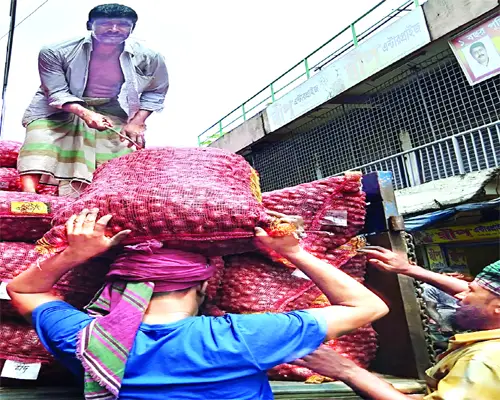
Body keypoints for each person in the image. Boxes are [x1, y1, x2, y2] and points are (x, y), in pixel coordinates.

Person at [6, 209, 389, 400]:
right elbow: (367, 307)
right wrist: (296, 253)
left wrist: (74, 254)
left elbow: (23, 291)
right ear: (205, 286)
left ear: (116, 287)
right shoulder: (245, 337)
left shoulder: (85, 340)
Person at [295, 247, 500, 400]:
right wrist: (409, 269)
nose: (459, 296)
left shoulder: (486, 359)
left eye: (471, 291)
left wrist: (347, 371)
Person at [17, 4, 169, 196]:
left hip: (113, 108)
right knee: (40, 136)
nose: (114, 29)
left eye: (122, 24)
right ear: (90, 25)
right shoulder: (55, 51)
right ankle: (28, 195)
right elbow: (56, 92)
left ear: (132, 28)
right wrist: (86, 113)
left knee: (122, 148)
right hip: (58, 107)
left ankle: (103, 199)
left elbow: (156, 92)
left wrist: (138, 122)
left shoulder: (150, 57)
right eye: (106, 23)